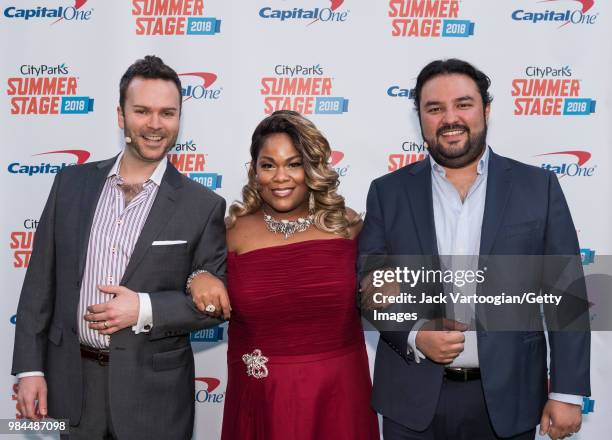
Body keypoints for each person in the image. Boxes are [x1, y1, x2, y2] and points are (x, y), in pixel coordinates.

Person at [359, 59, 590, 440]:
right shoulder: (388, 192)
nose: (450, 118)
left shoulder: (539, 188)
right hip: (410, 401)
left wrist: (566, 391)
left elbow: (566, 295)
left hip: (509, 400)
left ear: (486, 109)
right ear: (421, 118)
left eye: (463, 104)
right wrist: (415, 333)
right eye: (435, 108)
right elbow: (370, 284)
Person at [12, 55, 229, 440]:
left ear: (179, 118)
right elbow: (38, 285)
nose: (155, 124)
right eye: (142, 111)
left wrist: (143, 307)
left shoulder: (203, 205)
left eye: (167, 113)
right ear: (120, 115)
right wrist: (31, 370)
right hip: (73, 385)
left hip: (155, 397)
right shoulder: (70, 184)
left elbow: (215, 306)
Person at [191, 110, 379, 439]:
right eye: (268, 165)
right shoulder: (230, 233)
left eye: (294, 164)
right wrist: (197, 277)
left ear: (312, 168)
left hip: (338, 397)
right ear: (254, 171)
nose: (281, 177)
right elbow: (189, 281)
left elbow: (386, 291)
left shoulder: (347, 226)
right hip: (261, 399)